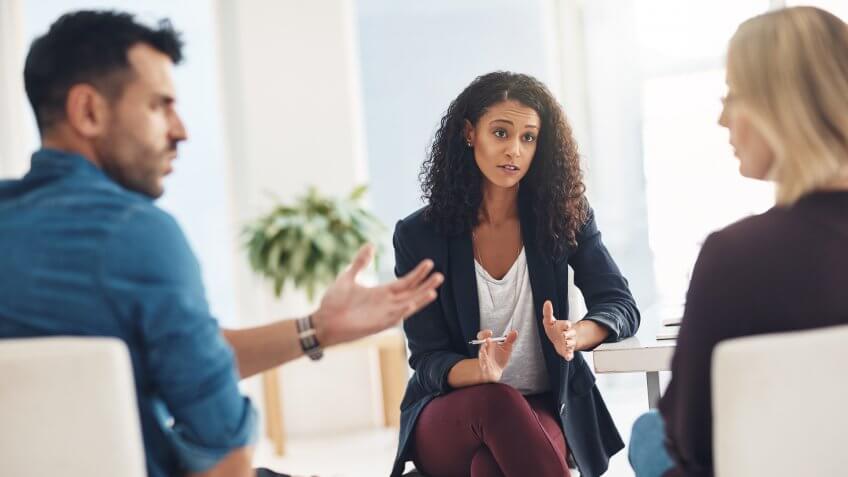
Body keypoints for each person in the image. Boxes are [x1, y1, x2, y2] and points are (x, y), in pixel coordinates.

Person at [0, 10, 444, 477]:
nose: (181, 130)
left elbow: (180, 358)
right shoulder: (135, 235)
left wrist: (319, 327)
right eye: (159, 106)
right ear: (88, 111)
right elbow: (226, 461)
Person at [628, 6, 848, 477]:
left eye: (732, 95)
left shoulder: (736, 258)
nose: (722, 119)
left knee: (648, 435)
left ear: (779, 105)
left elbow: (690, 439)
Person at [390, 71, 640, 477]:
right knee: (498, 399)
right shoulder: (420, 235)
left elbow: (619, 303)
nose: (515, 150)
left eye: (528, 137)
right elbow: (427, 354)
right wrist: (480, 371)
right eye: (501, 133)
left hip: (542, 404)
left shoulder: (563, 217)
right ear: (470, 133)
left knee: (491, 468)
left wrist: (578, 334)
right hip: (452, 411)